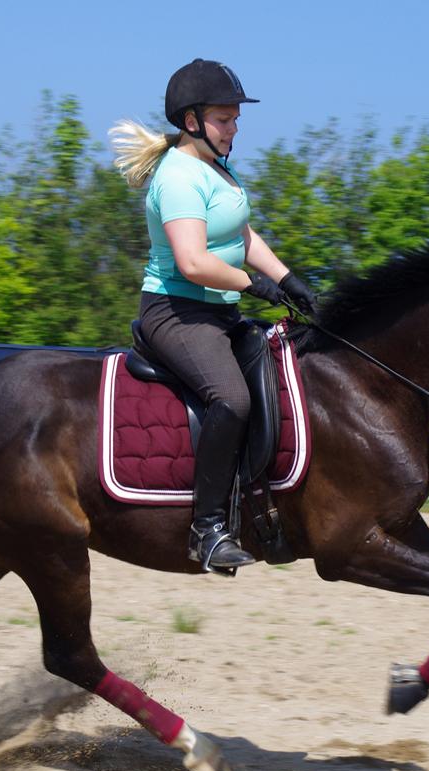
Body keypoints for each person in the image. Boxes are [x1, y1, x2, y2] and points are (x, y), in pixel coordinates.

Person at [110, 58, 317, 574]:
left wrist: (290, 281)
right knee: (231, 398)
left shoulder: (217, 168)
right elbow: (194, 261)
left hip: (218, 312)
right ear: (192, 122)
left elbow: (239, 236)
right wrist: (257, 286)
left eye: (235, 118)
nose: (234, 127)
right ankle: (206, 529)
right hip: (176, 314)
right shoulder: (178, 176)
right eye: (225, 118)